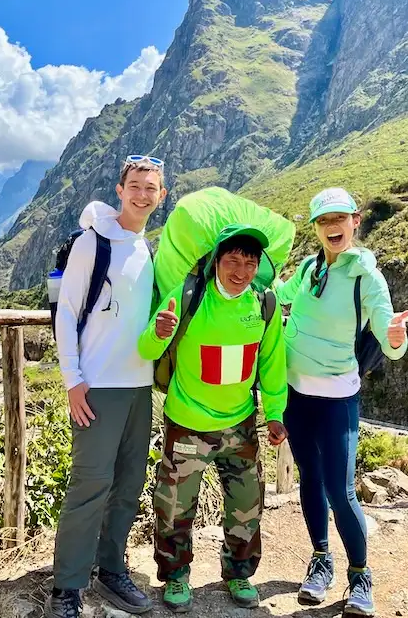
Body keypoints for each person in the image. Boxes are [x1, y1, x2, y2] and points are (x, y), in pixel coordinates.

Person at [138, 225, 288, 613]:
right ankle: (174, 576)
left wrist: (275, 414)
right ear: (216, 262)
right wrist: (158, 333)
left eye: (250, 263)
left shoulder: (263, 305)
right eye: (233, 261)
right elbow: (146, 346)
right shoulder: (189, 297)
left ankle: (238, 573)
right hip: (187, 423)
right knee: (174, 505)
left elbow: (272, 362)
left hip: (239, 424)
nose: (241, 272)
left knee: (247, 502)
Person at [275, 187, 408, 617]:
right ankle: (320, 560)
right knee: (309, 481)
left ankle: (359, 573)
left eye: (340, 218)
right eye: (323, 221)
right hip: (296, 396)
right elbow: (280, 296)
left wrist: (395, 336)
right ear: (315, 228)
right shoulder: (310, 267)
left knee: (341, 489)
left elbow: (389, 332)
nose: (332, 227)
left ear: (356, 220)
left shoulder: (366, 275)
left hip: (337, 399)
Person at [47, 156, 167, 618]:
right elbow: (66, 313)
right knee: (89, 485)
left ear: (161, 196)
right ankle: (68, 587)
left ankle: (112, 569)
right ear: (120, 190)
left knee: (128, 484)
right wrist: (73, 381)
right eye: (134, 185)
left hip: (139, 388)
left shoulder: (147, 249)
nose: (141, 194)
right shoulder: (92, 243)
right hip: (98, 386)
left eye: (150, 187)